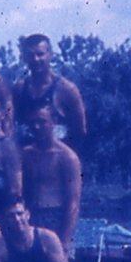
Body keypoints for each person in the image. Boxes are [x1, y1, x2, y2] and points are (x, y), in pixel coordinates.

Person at [21, 104, 82, 252]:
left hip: (55, 217)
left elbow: (73, 202)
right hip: (30, 216)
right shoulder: (26, 154)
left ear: (54, 121)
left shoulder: (67, 157)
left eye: (42, 122)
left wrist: (65, 239)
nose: (36, 127)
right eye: (33, 122)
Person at [14, 34, 88, 147]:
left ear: (50, 55)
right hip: (27, 154)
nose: (36, 59)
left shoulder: (67, 90)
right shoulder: (19, 89)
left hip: (58, 154)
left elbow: (80, 132)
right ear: (25, 58)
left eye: (40, 54)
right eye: (31, 55)